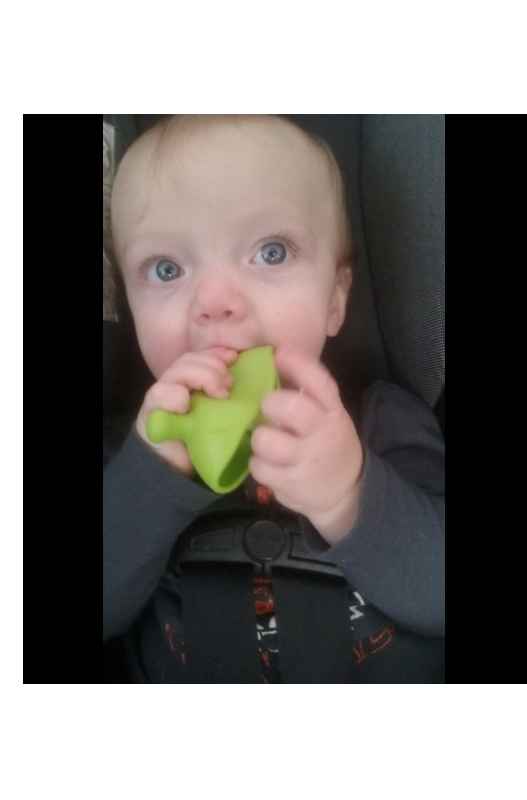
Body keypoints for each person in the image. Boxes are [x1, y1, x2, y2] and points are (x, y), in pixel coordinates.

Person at [103, 114, 445, 682]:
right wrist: (149, 479)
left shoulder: (384, 421)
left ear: (335, 301)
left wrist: (349, 495)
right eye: (166, 269)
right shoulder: (129, 450)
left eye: (271, 252)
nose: (214, 301)